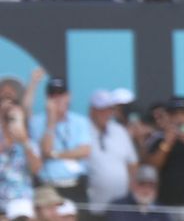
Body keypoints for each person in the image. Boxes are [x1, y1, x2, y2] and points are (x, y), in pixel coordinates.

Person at [29, 78, 92, 205]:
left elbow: (84, 151)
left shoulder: (80, 121)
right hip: (48, 186)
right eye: (53, 95)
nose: (58, 99)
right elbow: (45, 151)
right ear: (47, 99)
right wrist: (51, 123)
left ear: (68, 96)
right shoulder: (36, 122)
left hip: (75, 185)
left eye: (61, 95)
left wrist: (55, 154)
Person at [87, 90, 137, 219]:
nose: (105, 114)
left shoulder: (120, 131)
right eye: (101, 109)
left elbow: (132, 164)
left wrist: (132, 193)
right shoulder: (83, 130)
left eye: (109, 109)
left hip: (120, 208)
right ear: (92, 110)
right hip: (93, 207)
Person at [1, 101, 42, 210]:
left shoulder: (30, 144)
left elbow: (36, 169)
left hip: (21, 202)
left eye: (14, 119)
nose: (10, 122)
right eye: (7, 118)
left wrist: (24, 142)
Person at [104, 166, 169, 221]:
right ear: (133, 185)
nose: (146, 189)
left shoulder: (161, 210)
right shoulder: (118, 207)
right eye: (142, 184)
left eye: (151, 185)